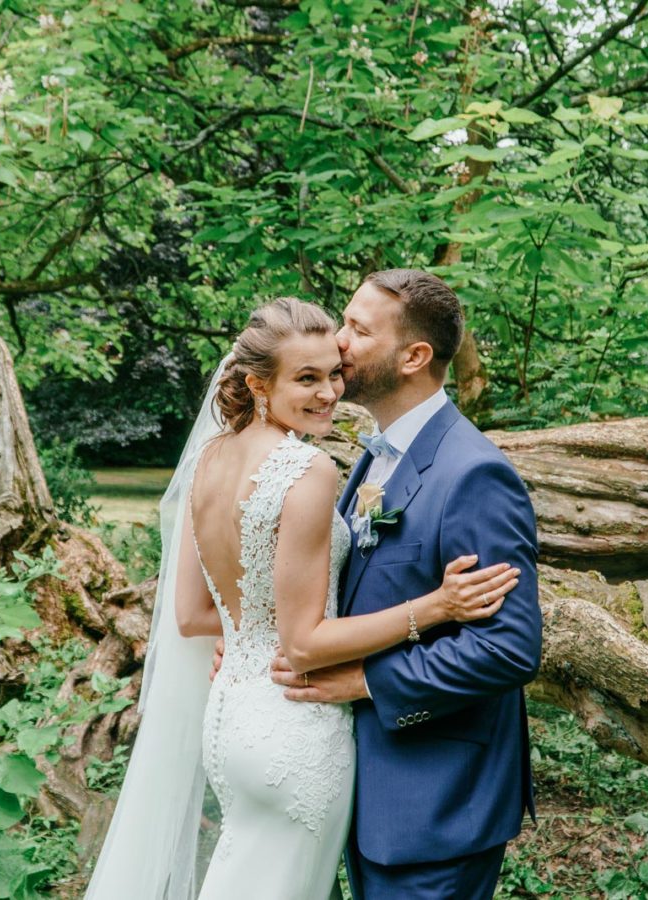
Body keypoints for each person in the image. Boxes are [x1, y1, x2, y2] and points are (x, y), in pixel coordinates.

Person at [84, 296, 519, 900]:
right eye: (308, 377)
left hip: (233, 721)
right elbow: (304, 641)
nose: (331, 387)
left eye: (335, 370)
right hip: (294, 729)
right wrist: (437, 607)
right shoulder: (308, 469)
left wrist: (246, 638)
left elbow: (192, 615)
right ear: (259, 385)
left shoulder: (210, 459)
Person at [268, 270, 543, 900]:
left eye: (359, 330)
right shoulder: (376, 454)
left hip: (437, 804)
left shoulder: (474, 476)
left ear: (414, 356)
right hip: (369, 795)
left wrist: (366, 682)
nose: (337, 342)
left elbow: (507, 649)